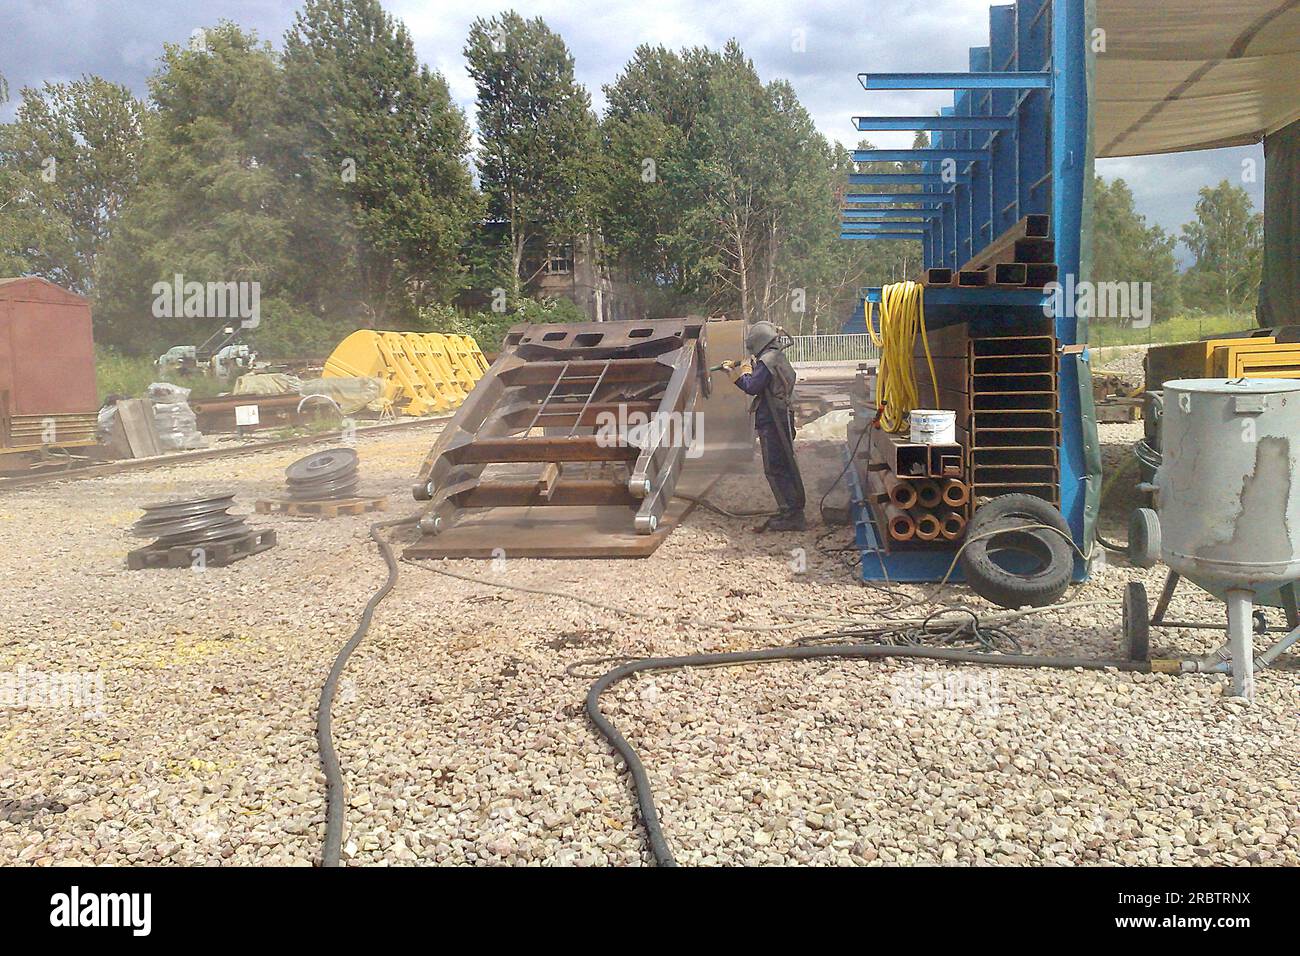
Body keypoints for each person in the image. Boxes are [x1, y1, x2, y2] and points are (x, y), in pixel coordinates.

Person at [721, 321, 807, 531]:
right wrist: (745, 366)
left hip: (773, 419)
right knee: (786, 463)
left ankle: (791, 514)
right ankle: (792, 509)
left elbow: (752, 386)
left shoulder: (767, 360)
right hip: (781, 415)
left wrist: (735, 375)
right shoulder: (776, 356)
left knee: (775, 467)